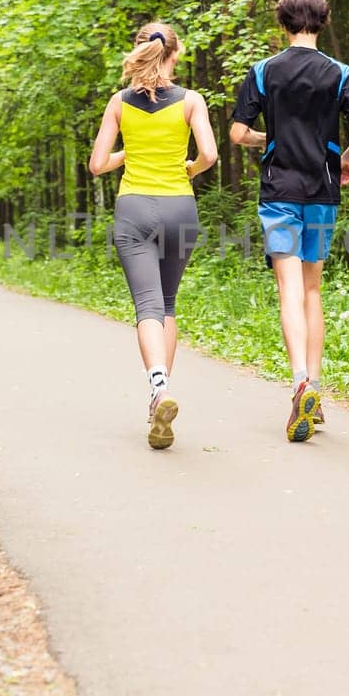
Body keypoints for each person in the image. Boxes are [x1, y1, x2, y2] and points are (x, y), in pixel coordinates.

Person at [229, 0, 349, 443]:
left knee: (288, 288)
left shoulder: (263, 71)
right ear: (323, 21)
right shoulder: (340, 72)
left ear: (283, 23)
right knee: (313, 288)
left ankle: (299, 382)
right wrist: (347, 158)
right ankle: (315, 385)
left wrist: (265, 140)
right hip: (322, 189)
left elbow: (237, 133)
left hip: (279, 191)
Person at [88, 22, 218, 450]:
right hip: (180, 207)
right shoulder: (191, 101)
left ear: (140, 51)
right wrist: (191, 169)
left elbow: (97, 164)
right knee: (167, 304)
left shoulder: (119, 103)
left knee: (146, 305)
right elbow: (210, 155)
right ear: (174, 55)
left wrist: (131, 152)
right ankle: (160, 392)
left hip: (134, 210)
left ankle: (158, 388)